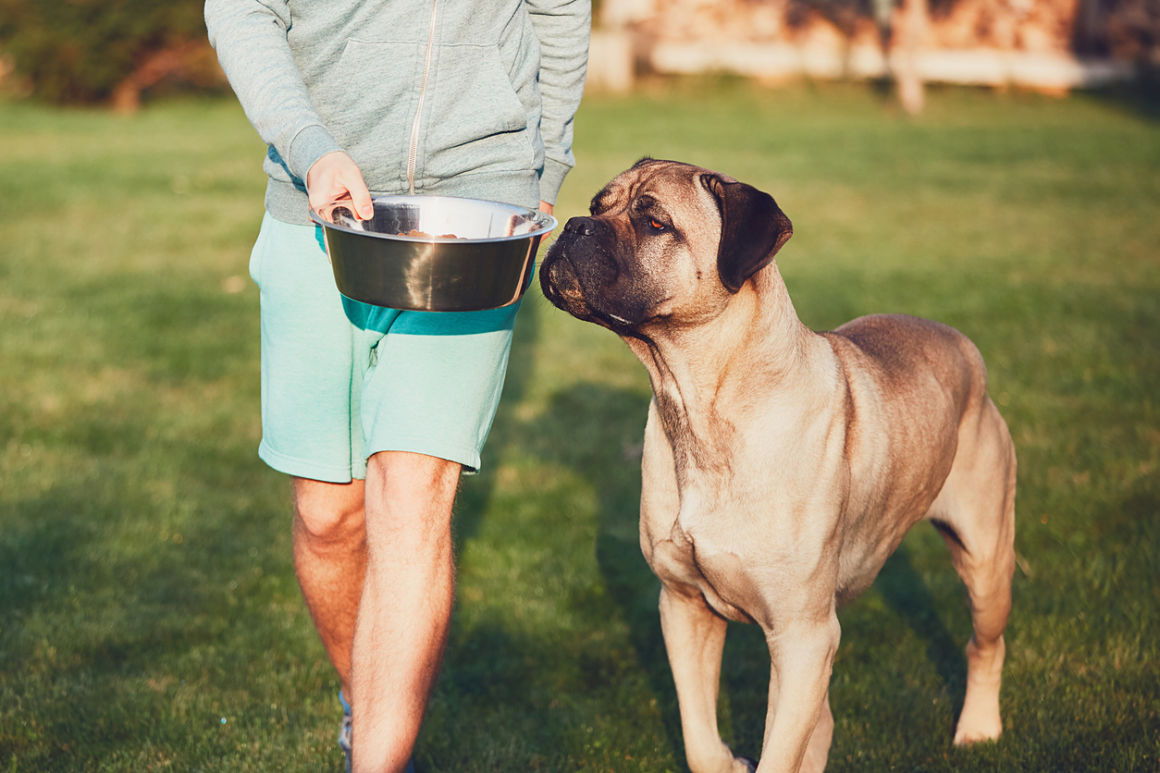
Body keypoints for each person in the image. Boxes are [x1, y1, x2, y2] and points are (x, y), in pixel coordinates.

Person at [203, 1, 590, 770]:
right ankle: (369, 702)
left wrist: (542, 175)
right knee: (327, 516)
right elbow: (242, 11)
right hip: (316, 201)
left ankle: (377, 758)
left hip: (477, 205)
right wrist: (312, 148)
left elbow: (559, 10)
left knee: (411, 496)